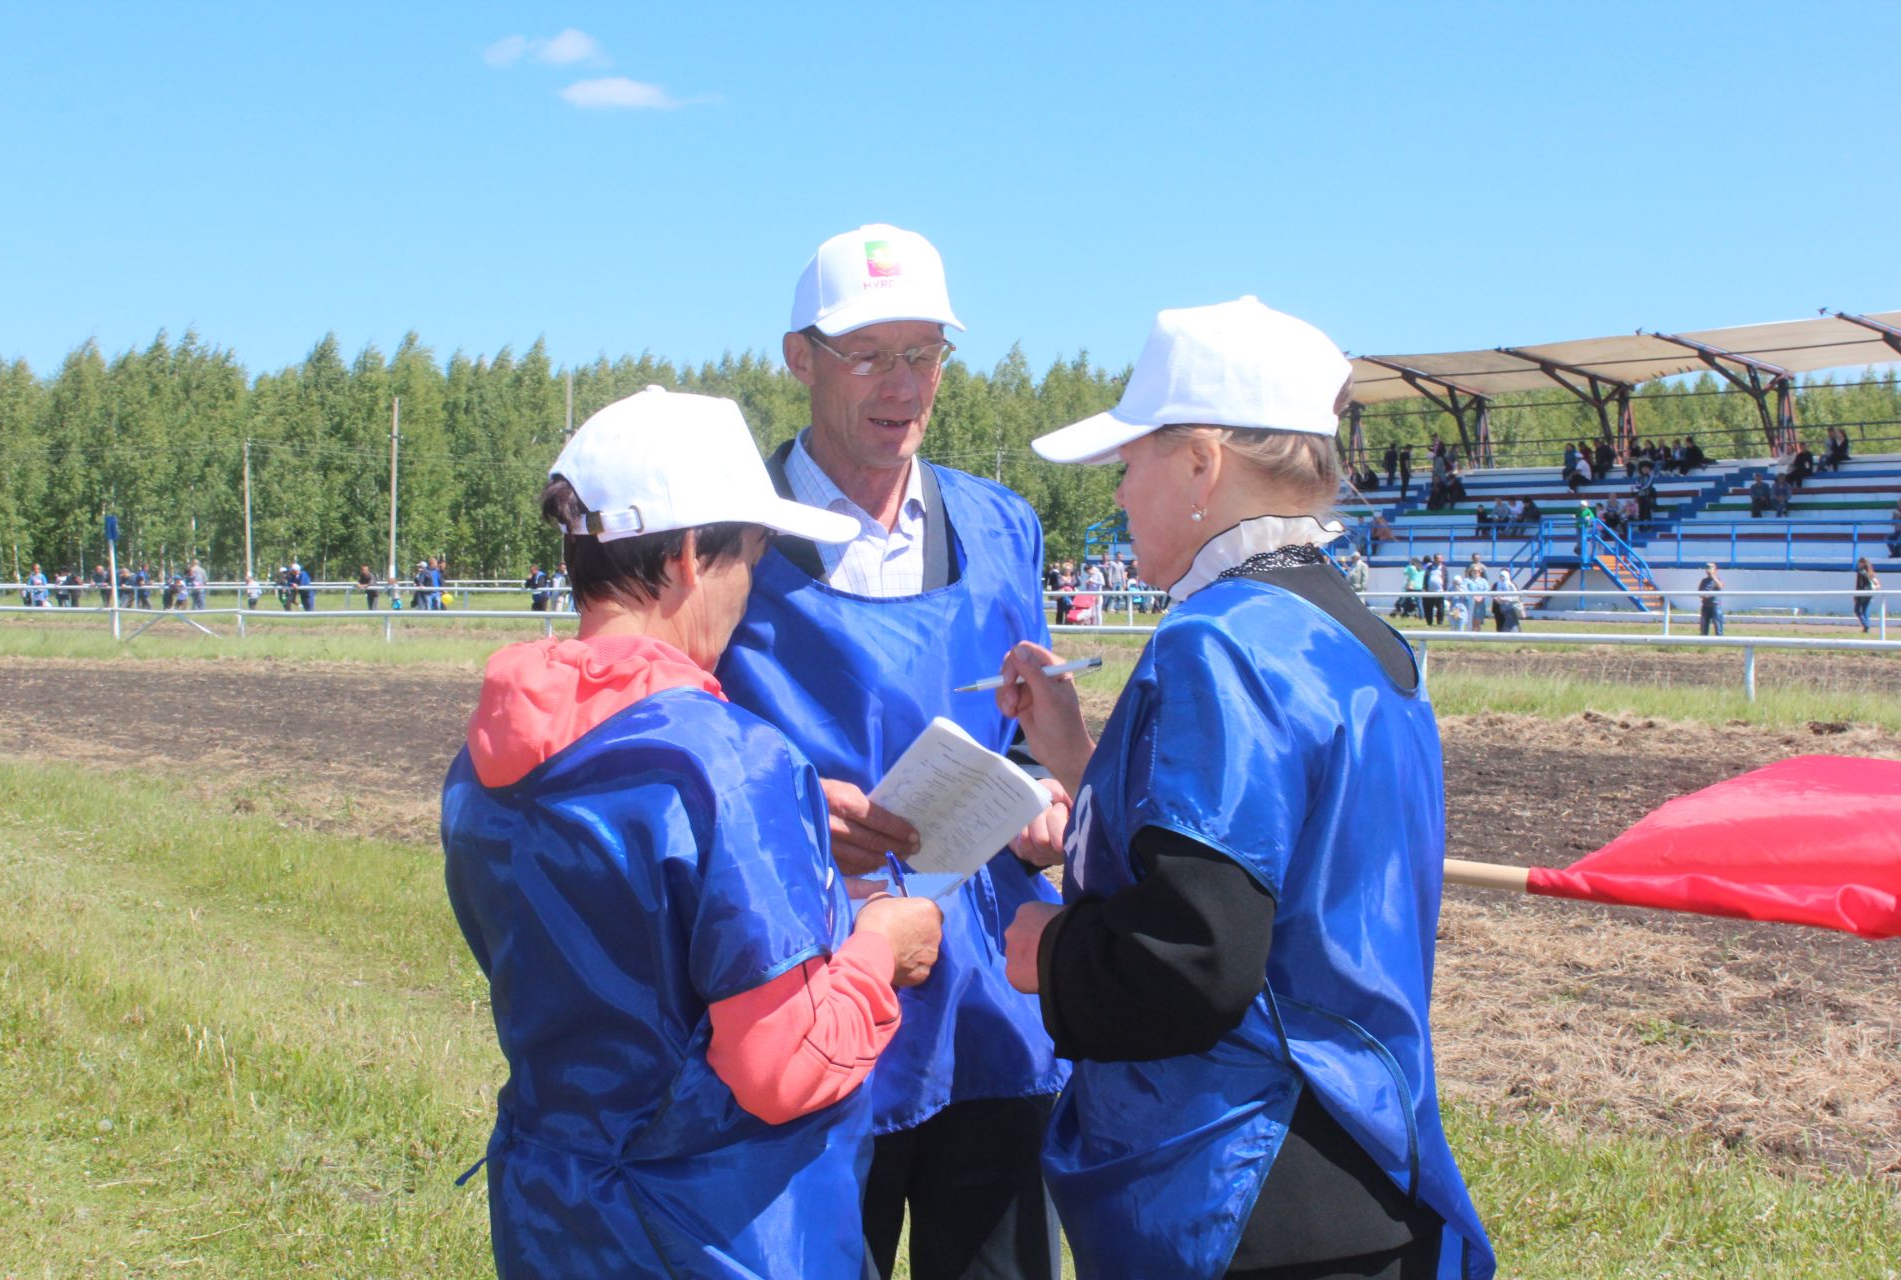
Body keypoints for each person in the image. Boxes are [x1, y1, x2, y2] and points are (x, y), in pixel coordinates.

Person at [998, 297, 1493, 1280]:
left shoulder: (1216, 643)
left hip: (1237, 1183)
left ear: (1200, 463)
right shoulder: (1363, 638)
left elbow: (1196, 956)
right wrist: (1077, 759)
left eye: (1130, 460)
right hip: (1360, 1163)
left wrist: (1047, 950)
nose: (1119, 493)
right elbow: (1277, 860)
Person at [443, 387, 942, 1277]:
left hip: (554, 1213)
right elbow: (782, 1068)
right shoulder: (730, 764)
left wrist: (780, 830)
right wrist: (876, 948)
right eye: (747, 557)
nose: (750, 590)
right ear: (684, 558)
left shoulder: (490, 753)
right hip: (716, 1228)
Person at [713, 225, 1068, 1280]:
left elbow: (1024, 729)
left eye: (924, 353)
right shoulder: (731, 535)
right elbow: (669, 733)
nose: (901, 384)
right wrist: (782, 803)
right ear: (799, 356)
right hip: (809, 991)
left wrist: (1044, 795)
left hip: (990, 1000)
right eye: (869, 353)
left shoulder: (1004, 527)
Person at [1853, 557, 1880, 633]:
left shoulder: (1861, 572)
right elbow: (1877, 583)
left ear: (1862, 563)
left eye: (1859, 563)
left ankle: (1866, 626)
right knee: (1865, 610)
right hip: (1870, 593)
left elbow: (1859, 585)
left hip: (1862, 593)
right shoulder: (1870, 572)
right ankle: (1866, 628)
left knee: (1857, 610)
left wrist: (1856, 595)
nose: (1858, 564)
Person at [1698, 562, 1725, 637]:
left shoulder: (1718, 579)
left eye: (1710, 568)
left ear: (1715, 570)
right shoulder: (1704, 581)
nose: (1708, 570)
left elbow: (1720, 586)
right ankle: (1703, 642)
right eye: (1707, 568)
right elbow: (1699, 593)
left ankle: (1720, 641)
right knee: (1704, 627)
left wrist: (1713, 576)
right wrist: (1703, 596)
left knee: (1718, 626)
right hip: (1705, 606)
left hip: (1715, 606)